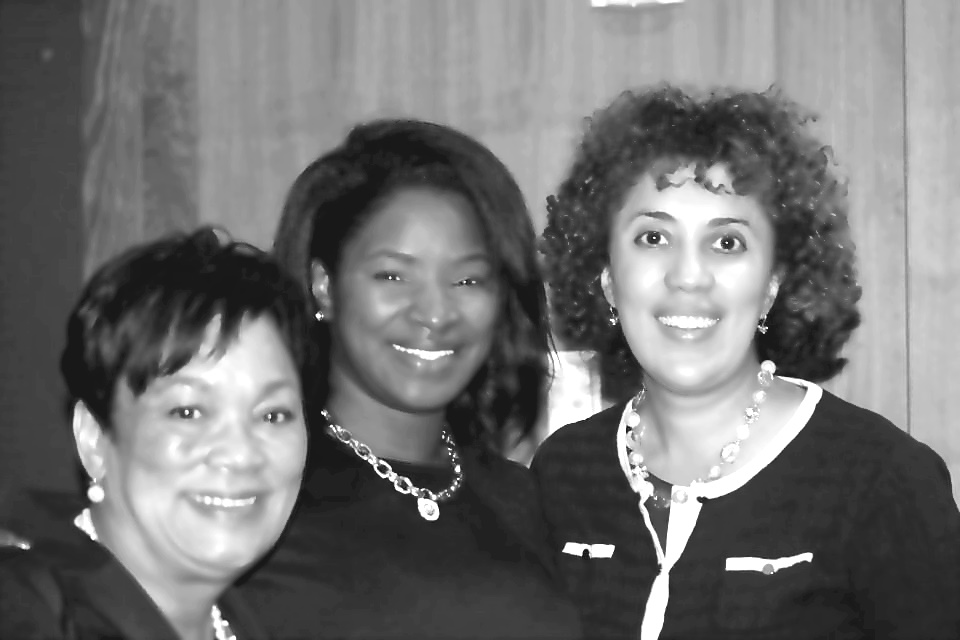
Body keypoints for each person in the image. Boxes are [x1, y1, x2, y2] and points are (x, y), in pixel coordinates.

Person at [532, 84, 960, 639]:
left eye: (727, 243)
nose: (689, 276)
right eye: (654, 237)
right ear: (608, 279)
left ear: (772, 286)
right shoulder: (562, 473)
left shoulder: (881, 480)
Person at [237, 118, 582, 639]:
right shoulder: (255, 492)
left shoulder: (523, 499)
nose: (435, 313)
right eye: (393, 276)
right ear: (324, 286)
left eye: (467, 279)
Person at [0, 228, 313, 640]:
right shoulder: (25, 613)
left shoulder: (249, 619)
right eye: (188, 412)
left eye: (273, 415)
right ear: (94, 438)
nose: (240, 454)